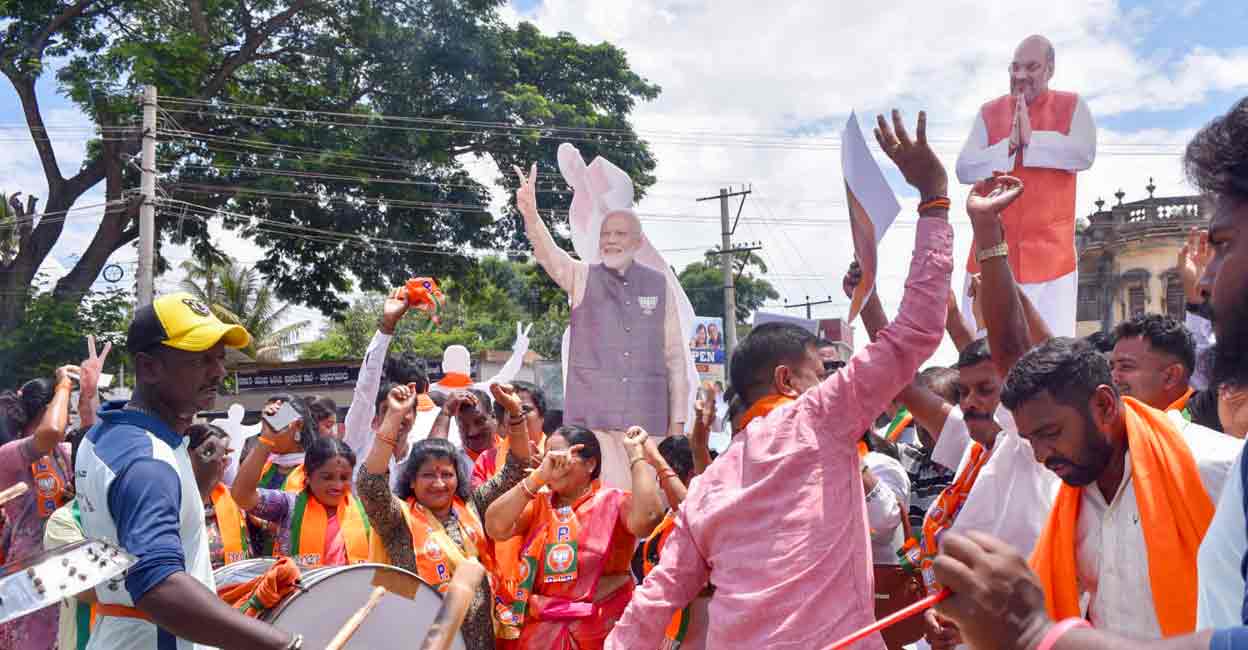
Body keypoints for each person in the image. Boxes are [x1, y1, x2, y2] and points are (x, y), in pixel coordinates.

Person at [605, 109, 952, 650]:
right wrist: (934, 199)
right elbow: (917, 331)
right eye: (822, 371)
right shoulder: (820, 417)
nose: (832, 380)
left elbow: (653, 605)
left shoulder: (706, 491)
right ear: (788, 380)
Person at [76, 292, 295, 649]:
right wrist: (281, 645)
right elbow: (159, 585)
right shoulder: (148, 461)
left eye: (220, 359)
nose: (219, 371)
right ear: (148, 368)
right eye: (201, 360)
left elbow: (129, 525)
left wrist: (195, 485)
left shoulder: (105, 434)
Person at [1003, 337, 1240, 638]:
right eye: (1029, 440)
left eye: (1050, 433)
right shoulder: (1063, 494)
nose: (1040, 455)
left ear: (1104, 405)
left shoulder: (1216, 468)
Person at [515, 160, 690, 437]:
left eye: (620, 234)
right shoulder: (583, 277)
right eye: (606, 234)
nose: (611, 240)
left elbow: (675, 360)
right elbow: (552, 256)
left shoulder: (658, 286)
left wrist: (677, 427)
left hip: (648, 425)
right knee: (603, 482)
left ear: (638, 242)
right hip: (594, 426)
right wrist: (531, 217)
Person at [357, 382, 533, 650]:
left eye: (447, 474)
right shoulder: (396, 519)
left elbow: (517, 467)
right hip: (419, 639)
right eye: (428, 475)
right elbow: (370, 484)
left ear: (457, 477)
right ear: (412, 482)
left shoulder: (474, 507)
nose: (439, 483)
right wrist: (393, 416)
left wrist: (514, 413)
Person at [956, 35, 1097, 338]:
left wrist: (1033, 141)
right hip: (987, 258)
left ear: (1050, 69)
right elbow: (964, 168)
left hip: (1052, 261)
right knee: (983, 355)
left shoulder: (1072, 105)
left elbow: (1084, 154)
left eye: (1031, 67)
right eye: (1015, 67)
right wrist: (1009, 147)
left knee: (1050, 359)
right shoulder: (988, 112)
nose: (1020, 76)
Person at [486, 425, 664, 650]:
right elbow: (495, 527)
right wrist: (539, 476)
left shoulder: (615, 502)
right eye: (549, 457)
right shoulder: (539, 504)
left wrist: (636, 457)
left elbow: (649, 518)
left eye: (562, 457)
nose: (555, 464)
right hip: (541, 636)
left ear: (590, 464)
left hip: (601, 633)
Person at [0, 365, 82, 649]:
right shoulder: (10, 455)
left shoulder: (63, 453)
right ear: (49, 408)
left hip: (65, 570)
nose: (67, 414)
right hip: (29, 577)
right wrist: (63, 385)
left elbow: (91, 435)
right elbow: (51, 431)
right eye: (63, 406)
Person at [233, 427, 372, 568]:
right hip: (298, 588)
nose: (337, 485)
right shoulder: (289, 505)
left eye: (344, 478)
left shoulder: (365, 511)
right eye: (327, 477)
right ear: (308, 475)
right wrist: (266, 439)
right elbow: (242, 496)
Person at [631, 434, 712, 650]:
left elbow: (695, 515)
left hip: (699, 621)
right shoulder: (667, 517)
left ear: (690, 475)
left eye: (661, 476)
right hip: (668, 625)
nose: (660, 486)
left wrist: (656, 459)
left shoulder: (705, 514)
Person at [343, 288, 418, 476]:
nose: (397, 415)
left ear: (416, 416)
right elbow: (365, 388)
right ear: (374, 420)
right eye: (388, 410)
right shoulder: (359, 441)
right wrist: (387, 326)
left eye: (405, 410)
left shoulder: (420, 458)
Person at [186, 423, 251, 569]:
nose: (222, 461)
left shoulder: (231, 496)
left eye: (225, 455)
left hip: (236, 583)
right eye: (211, 453)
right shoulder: (175, 498)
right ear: (190, 456)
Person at [1109, 313, 1200, 416]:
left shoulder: (1209, 424)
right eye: (1111, 367)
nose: (1113, 377)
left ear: (1171, 376)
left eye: (1126, 366)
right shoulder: (1119, 423)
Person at [473, 381, 547, 490]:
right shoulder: (487, 459)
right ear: (502, 421)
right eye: (510, 409)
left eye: (525, 409)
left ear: (542, 416)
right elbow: (477, 504)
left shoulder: (557, 453)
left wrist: (547, 473)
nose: (518, 413)